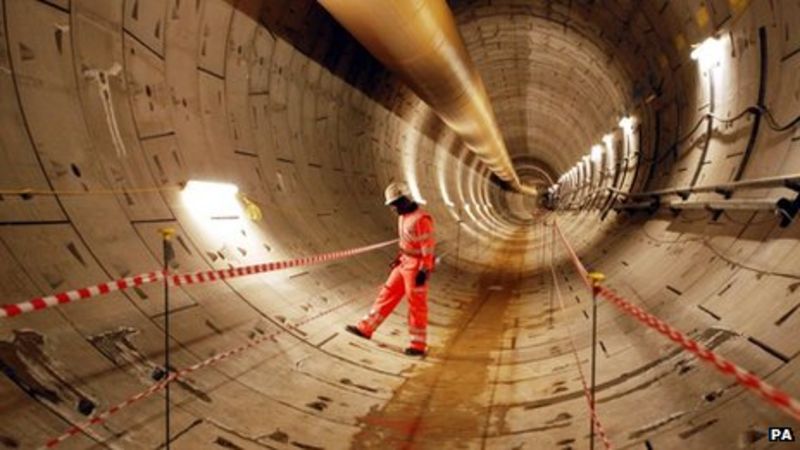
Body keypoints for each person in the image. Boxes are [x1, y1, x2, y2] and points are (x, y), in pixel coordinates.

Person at [346, 181, 435, 356]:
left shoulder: (421, 220)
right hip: (404, 263)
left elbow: (428, 247)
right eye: (392, 205)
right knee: (386, 294)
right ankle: (366, 328)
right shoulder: (403, 216)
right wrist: (399, 258)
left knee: (416, 305)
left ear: (405, 200)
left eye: (395, 204)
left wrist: (425, 270)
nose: (393, 209)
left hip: (416, 267)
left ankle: (418, 346)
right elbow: (407, 242)